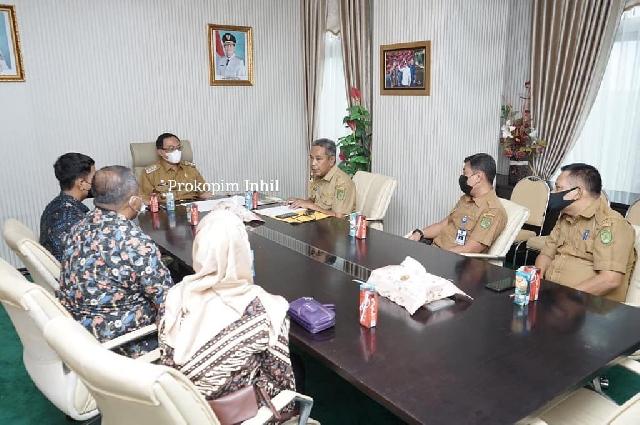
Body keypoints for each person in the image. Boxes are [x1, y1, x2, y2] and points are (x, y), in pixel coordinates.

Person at [159, 210, 296, 416]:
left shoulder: (175, 296)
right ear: (243, 251)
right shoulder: (263, 309)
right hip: (229, 416)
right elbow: (283, 386)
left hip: (178, 409)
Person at [57, 166, 174, 357]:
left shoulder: (79, 226)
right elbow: (168, 301)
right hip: (122, 343)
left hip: (78, 334)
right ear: (134, 201)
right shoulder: (134, 241)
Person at [535, 163, 636, 302]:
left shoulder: (611, 224)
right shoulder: (565, 217)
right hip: (552, 299)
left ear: (577, 192)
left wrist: (568, 298)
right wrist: (537, 283)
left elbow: (610, 280)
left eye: (558, 188)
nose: (552, 193)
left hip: (588, 307)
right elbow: (546, 254)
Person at [409, 153, 507, 253]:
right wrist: (420, 233)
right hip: (434, 248)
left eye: (465, 174)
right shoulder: (466, 198)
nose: (462, 178)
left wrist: (438, 255)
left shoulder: (493, 211)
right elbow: (444, 224)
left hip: (450, 258)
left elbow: (470, 249)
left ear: (478, 177)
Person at [40, 153, 95, 262]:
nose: (98, 182)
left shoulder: (54, 206)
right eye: (94, 177)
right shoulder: (73, 218)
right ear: (82, 183)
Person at [288, 138, 356, 217]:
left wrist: (314, 207)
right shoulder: (318, 175)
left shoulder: (342, 182)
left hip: (333, 224)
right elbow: (313, 201)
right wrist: (300, 202)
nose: (313, 163)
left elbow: (339, 217)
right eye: (311, 158)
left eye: (318, 159)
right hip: (316, 221)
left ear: (331, 160)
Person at [140, 132, 212, 203]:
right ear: (160, 152)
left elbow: (204, 193)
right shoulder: (150, 173)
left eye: (178, 148)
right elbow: (145, 199)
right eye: (171, 148)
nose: (176, 151)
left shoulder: (190, 168)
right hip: (168, 207)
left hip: (192, 205)